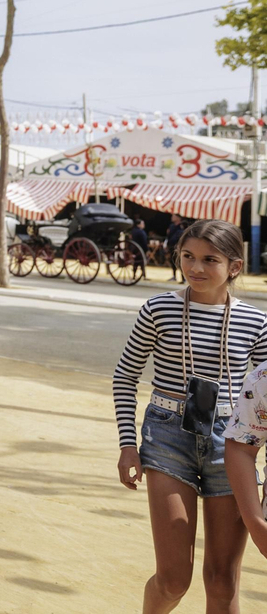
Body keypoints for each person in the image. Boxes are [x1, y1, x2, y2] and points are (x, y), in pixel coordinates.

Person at [116, 219, 266, 613]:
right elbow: (125, 376)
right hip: (167, 438)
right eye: (188, 257)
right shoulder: (158, 309)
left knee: (222, 581)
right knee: (173, 579)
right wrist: (128, 445)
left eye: (209, 260)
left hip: (231, 445)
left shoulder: (256, 322)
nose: (196, 268)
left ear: (234, 266)